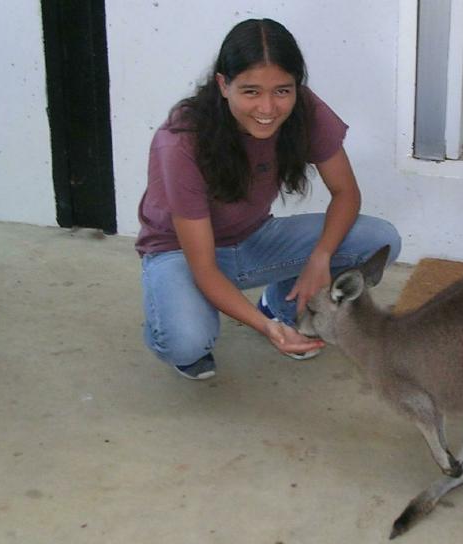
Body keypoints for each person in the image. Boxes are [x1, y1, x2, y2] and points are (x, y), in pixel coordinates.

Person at [135, 18, 401, 380]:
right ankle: (167, 325)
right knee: (187, 341)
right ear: (223, 85)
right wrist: (267, 330)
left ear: (296, 86)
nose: (268, 107)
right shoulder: (180, 141)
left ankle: (279, 305)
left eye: (282, 91)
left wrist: (321, 257)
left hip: (254, 238)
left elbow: (346, 193)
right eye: (251, 92)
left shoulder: (305, 110)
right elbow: (205, 268)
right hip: (180, 253)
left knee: (380, 240)